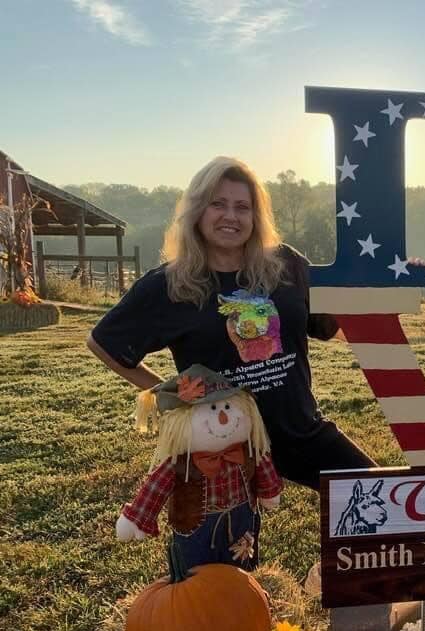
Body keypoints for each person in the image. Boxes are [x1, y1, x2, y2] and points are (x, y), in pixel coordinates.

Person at [88, 156, 374, 496]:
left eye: (243, 207)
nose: (231, 216)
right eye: (218, 204)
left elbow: (332, 326)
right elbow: (103, 343)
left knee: (378, 494)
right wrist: (178, 396)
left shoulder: (285, 265)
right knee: (226, 546)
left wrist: (402, 283)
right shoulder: (169, 284)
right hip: (224, 440)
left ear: (256, 216)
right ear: (197, 211)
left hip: (300, 431)